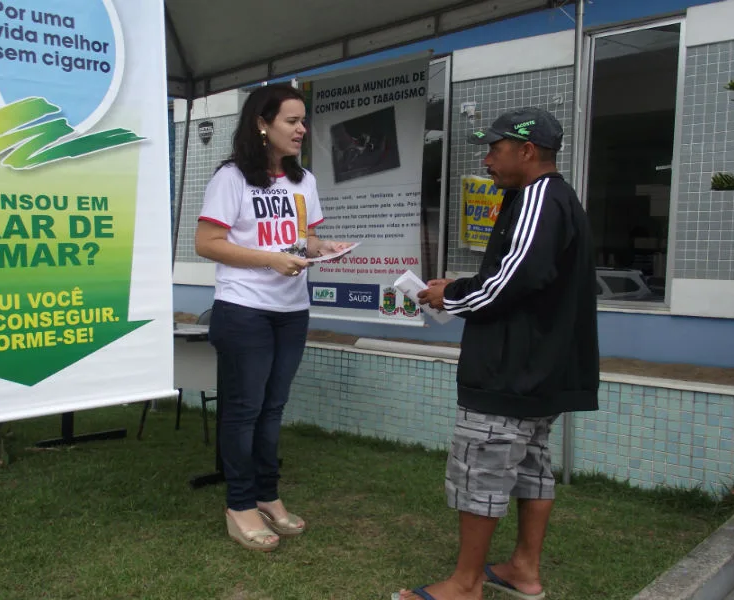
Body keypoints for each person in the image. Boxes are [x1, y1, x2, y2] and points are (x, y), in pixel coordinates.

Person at [400, 108, 599, 600]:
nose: (487, 159)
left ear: (527, 151)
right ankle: (523, 570)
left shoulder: (537, 198)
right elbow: (526, 276)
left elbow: (515, 279)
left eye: (495, 148)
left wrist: (450, 294)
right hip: (540, 368)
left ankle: (465, 585)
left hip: (510, 370)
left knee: (480, 470)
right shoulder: (553, 199)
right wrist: (461, 287)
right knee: (532, 466)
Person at [195, 84, 352, 552]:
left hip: (291, 310)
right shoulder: (232, 178)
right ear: (262, 124)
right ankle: (239, 504)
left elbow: (304, 241)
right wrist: (268, 260)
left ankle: (266, 494)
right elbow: (207, 244)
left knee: (272, 409)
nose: (302, 129)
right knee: (243, 412)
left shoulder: (305, 182)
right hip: (244, 309)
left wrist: (326, 249)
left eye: (304, 121)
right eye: (292, 120)